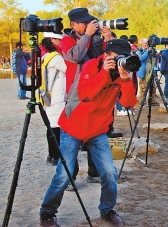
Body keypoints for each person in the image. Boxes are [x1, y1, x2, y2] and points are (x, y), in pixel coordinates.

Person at [39, 39, 135, 227]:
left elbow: (128, 103)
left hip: (98, 130)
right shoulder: (92, 65)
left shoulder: (125, 72)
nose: (120, 62)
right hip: (73, 127)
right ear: (106, 55)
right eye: (117, 58)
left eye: (124, 58)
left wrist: (125, 80)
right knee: (64, 174)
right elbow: (85, 94)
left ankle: (107, 210)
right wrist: (104, 73)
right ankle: (47, 213)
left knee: (109, 172)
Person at [61, 7, 116, 184]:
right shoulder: (67, 39)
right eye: (83, 23)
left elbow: (105, 59)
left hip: (96, 91)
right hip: (76, 95)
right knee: (72, 136)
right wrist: (86, 36)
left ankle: (94, 172)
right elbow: (75, 57)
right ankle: (71, 177)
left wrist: (108, 40)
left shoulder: (94, 39)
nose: (87, 25)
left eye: (88, 22)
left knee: (97, 130)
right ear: (73, 25)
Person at [39, 32, 66, 166]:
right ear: (51, 40)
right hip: (57, 96)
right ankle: (56, 156)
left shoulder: (45, 56)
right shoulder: (55, 58)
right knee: (56, 127)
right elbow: (68, 69)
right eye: (58, 39)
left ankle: (51, 155)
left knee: (51, 126)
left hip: (49, 96)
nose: (61, 41)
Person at [135, 38, 159, 106]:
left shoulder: (151, 50)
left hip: (150, 71)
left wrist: (154, 53)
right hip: (143, 72)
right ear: (141, 44)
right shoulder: (139, 51)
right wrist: (147, 52)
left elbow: (154, 60)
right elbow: (141, 58)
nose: (146, 44)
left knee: (153, 87)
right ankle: (142, 101)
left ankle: (152, 101)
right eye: (144, 43)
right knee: (143, 87)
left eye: (147, 43)